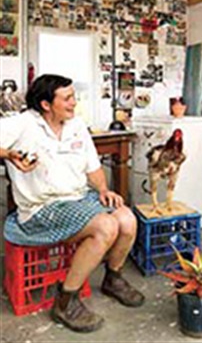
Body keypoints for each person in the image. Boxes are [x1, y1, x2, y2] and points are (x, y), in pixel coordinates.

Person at [0, 74, 144, 333]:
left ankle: (114, 277)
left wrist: (103, 189)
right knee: (106, 227)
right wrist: (9, 154)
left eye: (73, 97)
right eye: (67, 98)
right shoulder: (23, 123)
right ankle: (66, 301)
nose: (73, 103)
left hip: (78, 199)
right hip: (41, 209)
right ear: (46, 104)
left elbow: (93, 167)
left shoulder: (76, 125)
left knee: (127, 218)